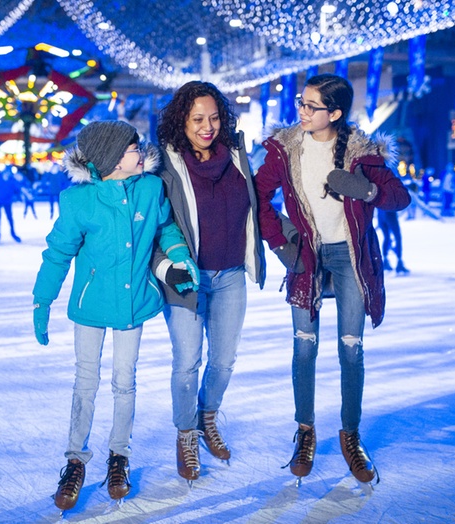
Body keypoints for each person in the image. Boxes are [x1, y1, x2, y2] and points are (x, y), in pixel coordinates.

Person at [31, 120, 199, 513]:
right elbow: (57, 253)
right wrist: (43, 301)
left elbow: (166, 229)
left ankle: (118, 456)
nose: (141, 151)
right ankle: (75, 461)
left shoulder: (150, 189)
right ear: (111, 160)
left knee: (125, 382)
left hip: (134, 303)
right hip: (90, 307)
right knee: (86, 382)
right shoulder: (80, 202)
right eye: (133, 148)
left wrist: (178, 254)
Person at [255, 74, 410, 486]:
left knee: (351, 350)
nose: (301, 111)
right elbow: (258, 198)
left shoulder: (362, 152)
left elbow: (400, 197)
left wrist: (367, 190)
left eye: (311, 106)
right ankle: (305, 432)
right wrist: (281, 242)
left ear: (335, 113)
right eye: (300, 103)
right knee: (304, 349)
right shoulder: (283, 150)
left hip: (351, 258)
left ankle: (350, 435)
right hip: (306, 255)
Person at [153, 80, 266, 485]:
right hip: (187, 280)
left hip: (231, 273)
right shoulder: (165, 165)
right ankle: (186, 434)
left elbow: (259, 207)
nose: (208, 126)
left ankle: (207, 417)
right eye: (198, 118)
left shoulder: (237, 156)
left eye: (214, 117)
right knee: (187, 362)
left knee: (223, 360)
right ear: (180, 120)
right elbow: (156, 225)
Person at [377, 209, 409, 275]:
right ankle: (399, 262)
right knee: (398, 237)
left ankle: (385, 261)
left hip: (380, 215)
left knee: (386, 237)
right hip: (390, 214)